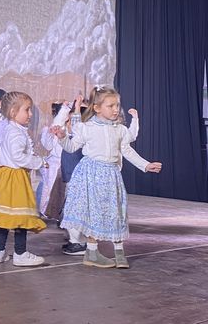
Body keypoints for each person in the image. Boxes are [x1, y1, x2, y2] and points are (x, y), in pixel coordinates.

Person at [52, 86, 161, 269]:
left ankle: (119, 252)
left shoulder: (120, 130)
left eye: (117, 105)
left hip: (110, 175)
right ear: (97, 108)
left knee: (115, 211)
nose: (116, 109)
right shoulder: (86, 128)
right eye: (110, 106)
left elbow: (127, 151)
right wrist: (62, 137)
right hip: (90, 175)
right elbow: (71, 147)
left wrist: (145, 164)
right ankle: (92, 252)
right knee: (93, 213)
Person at [0, 91, 48, 267]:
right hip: (15, 178)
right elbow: (19, 157)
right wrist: (39, 162)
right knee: (20, 215)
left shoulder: (11, 129)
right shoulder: (16, 133)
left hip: (6, 176)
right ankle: (20, 253)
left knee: (6, 215)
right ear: (14, 112)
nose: (30, 114)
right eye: (27, 110)